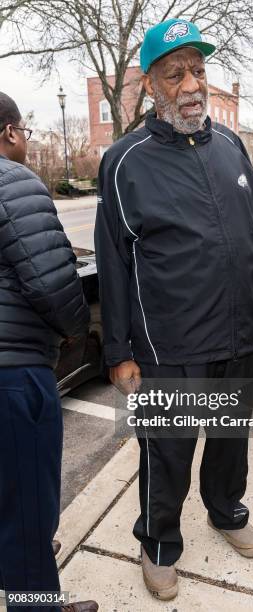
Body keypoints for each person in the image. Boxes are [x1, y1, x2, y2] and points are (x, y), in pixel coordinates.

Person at [95, 19, 253, 601]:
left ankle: (226, 512)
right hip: (168, 345)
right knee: (166, 454)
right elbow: (114, 263)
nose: (191, 84)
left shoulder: (230, 148)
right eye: (175, 74)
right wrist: (118, 352)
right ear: (151, 86)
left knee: (229, 440)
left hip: (240, 335)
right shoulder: (126, 161)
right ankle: (158, 542)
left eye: (198, 70)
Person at [0, 93, 98, 612]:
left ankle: (20, 561)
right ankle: (35, 602)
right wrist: (74, 333)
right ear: (11, 133)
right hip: (13, 373)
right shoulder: (15, 182)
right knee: (30, 501)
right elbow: (53, 281)